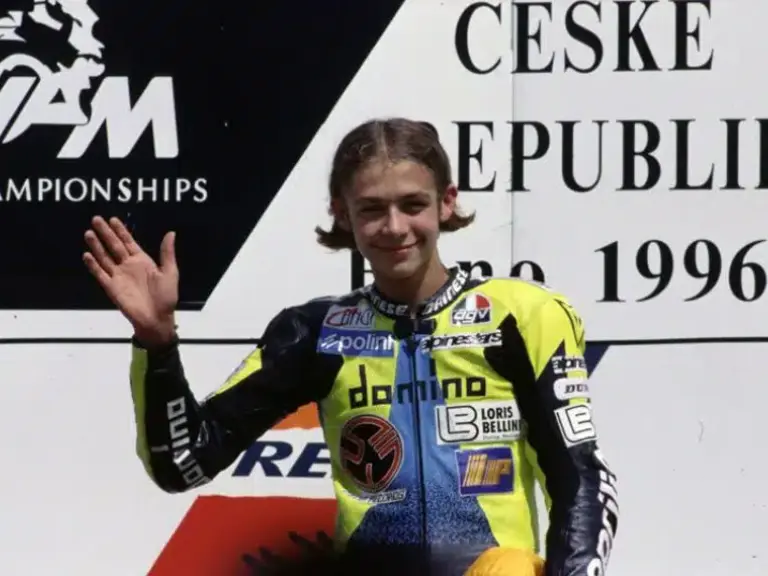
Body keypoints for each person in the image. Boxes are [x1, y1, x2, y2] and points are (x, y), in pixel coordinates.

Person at [83, 118, 618, 575]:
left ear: (447, 203)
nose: (394, 227)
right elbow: (184, 463)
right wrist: (157, 342)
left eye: (413, 204)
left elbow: (579, 476)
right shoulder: (315, 330)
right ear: (342, 213)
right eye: (371, 209)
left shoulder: (521, 316)